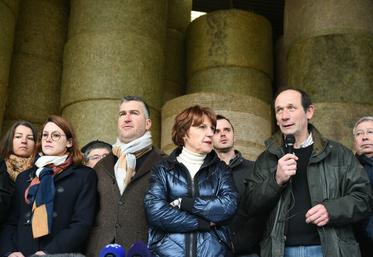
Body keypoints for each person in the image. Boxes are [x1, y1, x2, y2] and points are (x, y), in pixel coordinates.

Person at [243, 88, 373, 257]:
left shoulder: (339, 154)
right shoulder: (266, 159)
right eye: (279, 110)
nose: (284, 115)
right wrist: (276, 180)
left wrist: (331, 210)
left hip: (330, 250)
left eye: (291, 108)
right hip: (280, 251)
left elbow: (364, 199)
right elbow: (250, 205)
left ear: (309, 111)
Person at [144, 105, 239, 257]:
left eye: (212, 128)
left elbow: (228, 206)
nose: (210, 133)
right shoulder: (163, 168)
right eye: (202, 127)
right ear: (184, 133)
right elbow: (156, 211)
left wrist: (186, 204)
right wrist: (203, 223)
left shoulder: (221, 169)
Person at [0, 115, 97, 256]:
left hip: (59, 253)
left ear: (69, 142)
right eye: (45, 135)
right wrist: (10, 251)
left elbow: (81, 223)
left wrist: (48, 252)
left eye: (56, 135)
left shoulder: (84, 175)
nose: (48, 139)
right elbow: (11, 222)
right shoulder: (25, 177)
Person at [85, 96, 165, 256]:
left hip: (144, 250)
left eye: (134, 113)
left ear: (148, 123)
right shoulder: (101, 166)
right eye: (122, 114)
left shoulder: (165, 163)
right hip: (100, 250)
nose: (127, 118)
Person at [212, 115, 262, 257]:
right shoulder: (204, 173)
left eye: (227, 130)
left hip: (247, 251)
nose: (223, 134)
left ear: (234, 136)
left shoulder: (254, 169)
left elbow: (261, 211)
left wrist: (236, 244)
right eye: (216, 131)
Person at [0, 120, 37, 226]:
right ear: (10, 140)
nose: (24, 141)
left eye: (30, 138)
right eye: (18, 136)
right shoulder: (1, 166)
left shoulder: (41, 172)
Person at [353, 116, 373, 257]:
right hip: (357, 243)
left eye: (370, 132)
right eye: (359, 134)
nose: (364, 137)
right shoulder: (346, 169)